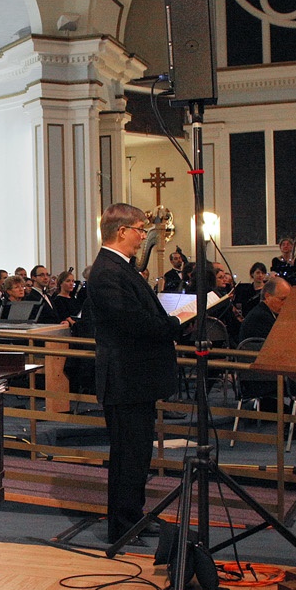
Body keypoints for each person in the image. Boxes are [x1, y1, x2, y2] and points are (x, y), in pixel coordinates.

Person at [86, 203, 187, 545]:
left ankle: (134, 515)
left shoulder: (120, 268)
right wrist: (175, 324)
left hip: (135, 379)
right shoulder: (106, 271)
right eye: (140, 230)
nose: (144, 237)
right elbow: (131, 322)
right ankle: (122, 525)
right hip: (124, 379)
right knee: (128, 456)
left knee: (138, 454)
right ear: (122, 231)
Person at [239, 276, 289, 343]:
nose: (286, 303)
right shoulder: (260, 317)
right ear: (267, 296)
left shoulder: (267, 312)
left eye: (288, 299)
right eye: (282, 299)